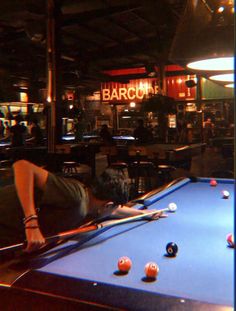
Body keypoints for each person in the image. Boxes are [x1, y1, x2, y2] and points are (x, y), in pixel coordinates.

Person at [0, 160, 159, 253]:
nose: (114, 210)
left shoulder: (90, 201)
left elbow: (115, 209)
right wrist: (31, 223)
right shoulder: (76, 196)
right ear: (107, 204)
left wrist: (143, 214)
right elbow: (22, 166)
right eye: (112, 207)